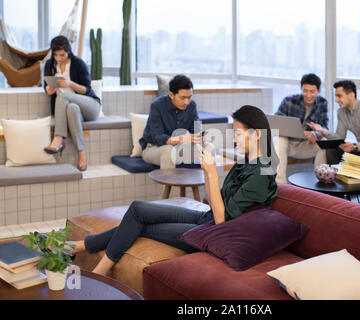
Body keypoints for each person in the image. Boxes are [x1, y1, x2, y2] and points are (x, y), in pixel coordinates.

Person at [68, 105, 279, 275]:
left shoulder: (262, 174)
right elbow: (215, 202)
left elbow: (223, 220)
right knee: (138, 209)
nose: (233, 139)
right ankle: (79, 247)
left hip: (215, 235)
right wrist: (207, 171)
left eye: (238, 134)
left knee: (141, 227)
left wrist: (212, 173)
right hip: (207, 219)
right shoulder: (245, 163)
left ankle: (98, 271)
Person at [43, 35, 101, 171]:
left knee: (63, 96)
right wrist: (49, 89)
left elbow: (87, 90)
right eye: (55, 55)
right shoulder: (49, 64)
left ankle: (58, 138)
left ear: (68, 51)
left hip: (90, 106)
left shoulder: (78, 64)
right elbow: (46, 88)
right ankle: (82, 154)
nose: (58, 58)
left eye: (62, 55)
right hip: (72, 109)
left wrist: (70, 83)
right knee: (72, 109)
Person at [308, 80, 360, 167]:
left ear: (352, 95)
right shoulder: (341, 112)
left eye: (339, 96)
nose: (336, 100)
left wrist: (354, 146)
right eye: (336, 96)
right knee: (332, 150)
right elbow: (339, 137)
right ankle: (334, 178)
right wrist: (323, 131)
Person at [273, 73, 329, 184]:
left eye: (312, 91)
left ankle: (321, 181)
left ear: (318, 90)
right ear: (301, 89)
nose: (308, 95)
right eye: (305, 90)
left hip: (306, 145)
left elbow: (324, 128)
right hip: (289, 144)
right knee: (278, 140)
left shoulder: (322, 103)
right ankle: (280, 183)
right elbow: (276, 125)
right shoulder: (288, 101)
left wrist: (316, 135)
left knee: (323, 143)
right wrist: (301, 132)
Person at [139, 75, 199, 169]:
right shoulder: (157, 105)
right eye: (182, 98)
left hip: (180, 147)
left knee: (209, 147)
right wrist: (182, 138)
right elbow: (158, 138)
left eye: (189, 97)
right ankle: (171, 184)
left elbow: (197, 130)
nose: (186, 102)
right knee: (169, 151)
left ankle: (210, 183)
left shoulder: (192, 106)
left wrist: (198, 137)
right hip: (153, 148)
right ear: (171, 95)